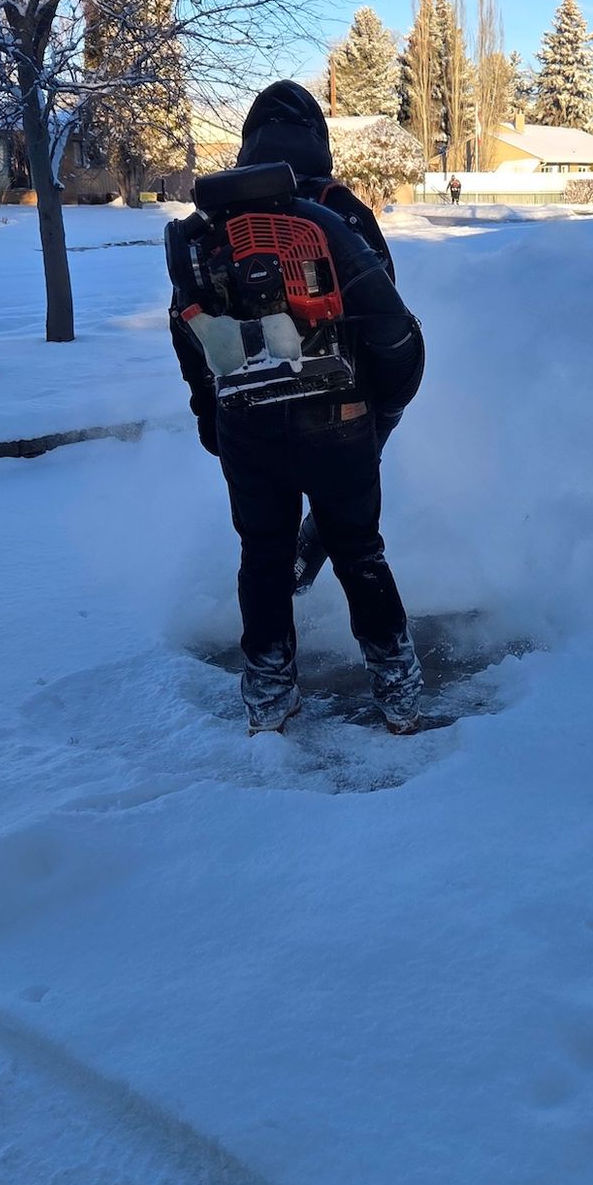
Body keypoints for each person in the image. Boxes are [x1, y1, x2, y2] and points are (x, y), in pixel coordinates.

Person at [168, 81, 426, 734]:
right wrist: (380, 416)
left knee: (262, 556)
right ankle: (396, 689)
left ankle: (268, 696)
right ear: (320, 143)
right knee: (359, 554)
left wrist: (213, 420)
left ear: (252, 143)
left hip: (247, 426)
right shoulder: (339, 214)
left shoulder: (212, 227)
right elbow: (389, 330)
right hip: (341, 427)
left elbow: (189, 328)